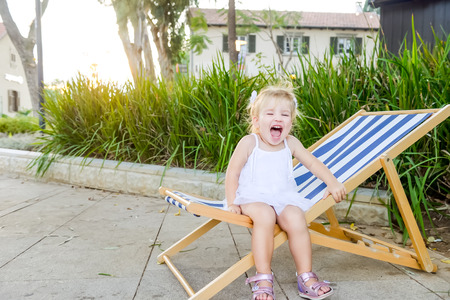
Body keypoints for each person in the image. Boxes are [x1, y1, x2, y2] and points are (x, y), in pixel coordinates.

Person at [225, 85, 347, 300]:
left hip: (283, 196)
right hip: (253, 197)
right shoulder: (249, 143)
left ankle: (305, 276)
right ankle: (263, 277)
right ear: (256, 120)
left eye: (284, 114)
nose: (277, 118)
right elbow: (232, 173)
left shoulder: (291, 143)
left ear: (291, 122)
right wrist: (232, 201)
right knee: (265, 215)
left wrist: (332, 182)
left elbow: (313, 163)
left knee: (296, 217)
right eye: (270, 113)